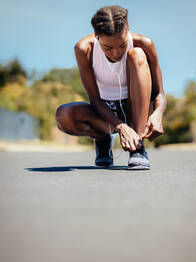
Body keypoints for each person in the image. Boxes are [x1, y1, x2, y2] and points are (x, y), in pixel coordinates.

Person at [55, 5, 167, 170]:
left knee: (137, 54)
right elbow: (95, 100)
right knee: (64, 116)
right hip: (105, 112)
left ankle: (137, 147)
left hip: (138, 109)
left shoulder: (145, 44)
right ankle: (102, 138)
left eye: (122, 45)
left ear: (128, 30)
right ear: (97, 36)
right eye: (108, 48)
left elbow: (159, 94)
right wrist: (120, 126)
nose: (116, 53)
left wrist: (157, 115)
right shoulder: (83, 48)